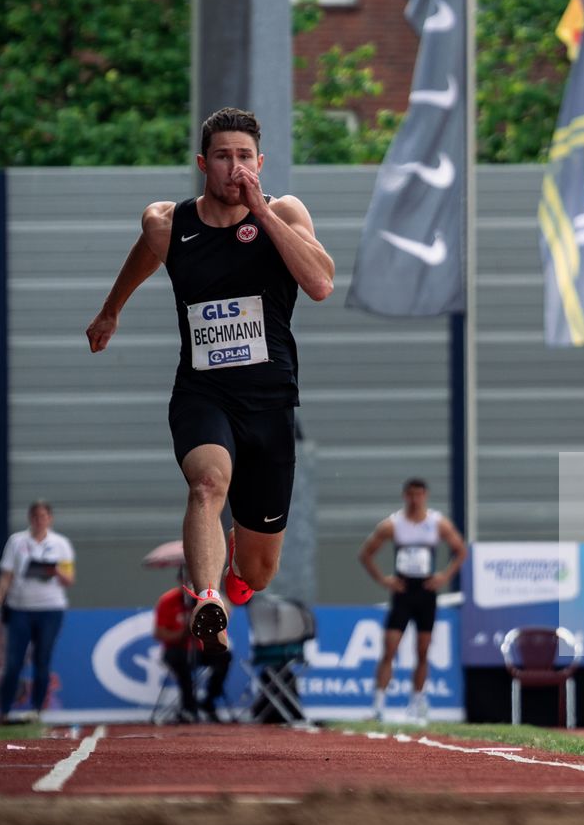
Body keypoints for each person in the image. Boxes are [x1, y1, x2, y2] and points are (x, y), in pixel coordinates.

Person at [85, 108, 334, 655]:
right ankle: (206, 598)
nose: (234, 167)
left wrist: (260, 212)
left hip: (270, 402)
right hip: (204, 393)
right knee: (207, 485)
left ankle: (235, 580)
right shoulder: (169, 222)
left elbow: (319, 283)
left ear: (260, 163)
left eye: (245, 157)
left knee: (261, 570)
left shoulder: (285, 212)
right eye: (223, 156)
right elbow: (147, 252)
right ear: (203, 164)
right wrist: (110, 311)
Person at [359, 478, 467, 723]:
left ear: (425, 496)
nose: (415, 499)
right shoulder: (393, 525)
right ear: (404, 496)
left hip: (426, 592)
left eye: (419, 495)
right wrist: (383, 580)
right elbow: (366, 553)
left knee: (423, 649)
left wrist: (444, 576)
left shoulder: (436, 523)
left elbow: (460, 550)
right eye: (410, 495)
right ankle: (378, 705)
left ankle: (417, 703)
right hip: (402, 591)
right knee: (390, 648)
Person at [0, 499, 74, 722]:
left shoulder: (60, 543)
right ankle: (3, 711)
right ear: (30, 519)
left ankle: (37, 710)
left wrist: (52, 570)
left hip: (50, 608)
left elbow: (69, 579)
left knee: (42, 659)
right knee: (13, 660)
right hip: (20, 608)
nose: (39, 521)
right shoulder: (17, 541)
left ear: (50, 519)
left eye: (43, 517)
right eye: (35, 517)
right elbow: (5, 576)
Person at [153, 567, 233, 723]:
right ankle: (188, 707)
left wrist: (207, 599)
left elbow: (227, 612)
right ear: (180, 581)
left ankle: (209, 700)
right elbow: (159, 633)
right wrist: (182, 632)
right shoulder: (168, 600)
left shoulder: (206, 598)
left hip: (203, 649)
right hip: (179, 648)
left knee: (224, 657)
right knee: (181, 661)